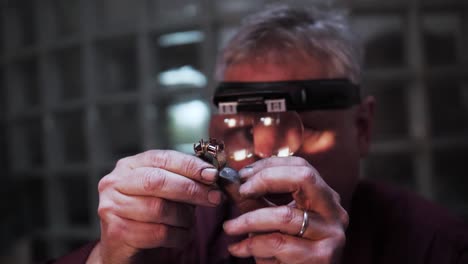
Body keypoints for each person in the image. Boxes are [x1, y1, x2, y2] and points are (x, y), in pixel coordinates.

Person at [51, 4, 468, 264]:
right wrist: (109, 258)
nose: (265, 160)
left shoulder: (437, 245)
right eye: (243, 132)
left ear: (362, 128)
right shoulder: (173, 234)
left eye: (304, 130)